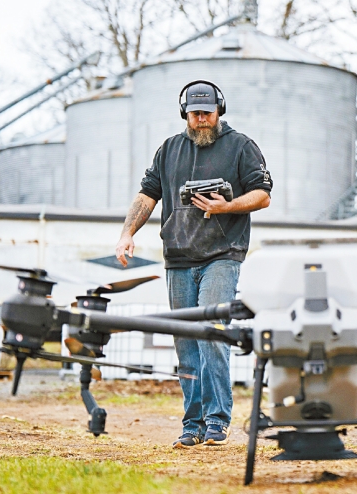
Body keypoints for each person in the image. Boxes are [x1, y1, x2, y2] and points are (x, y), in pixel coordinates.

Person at [115, 80, 272, 448]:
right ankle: (193, 424)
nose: (201, 120)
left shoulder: (241, 147)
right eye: (194, 114)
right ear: (184, 112)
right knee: (185, 340)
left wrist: (225, 206)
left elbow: (263, 195)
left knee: (214, 333)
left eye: (207, 113)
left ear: (220, 111)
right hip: (179, 258)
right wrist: (126, 233)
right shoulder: (169, 149)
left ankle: (218, 420)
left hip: (222, 254)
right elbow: (147, 194)